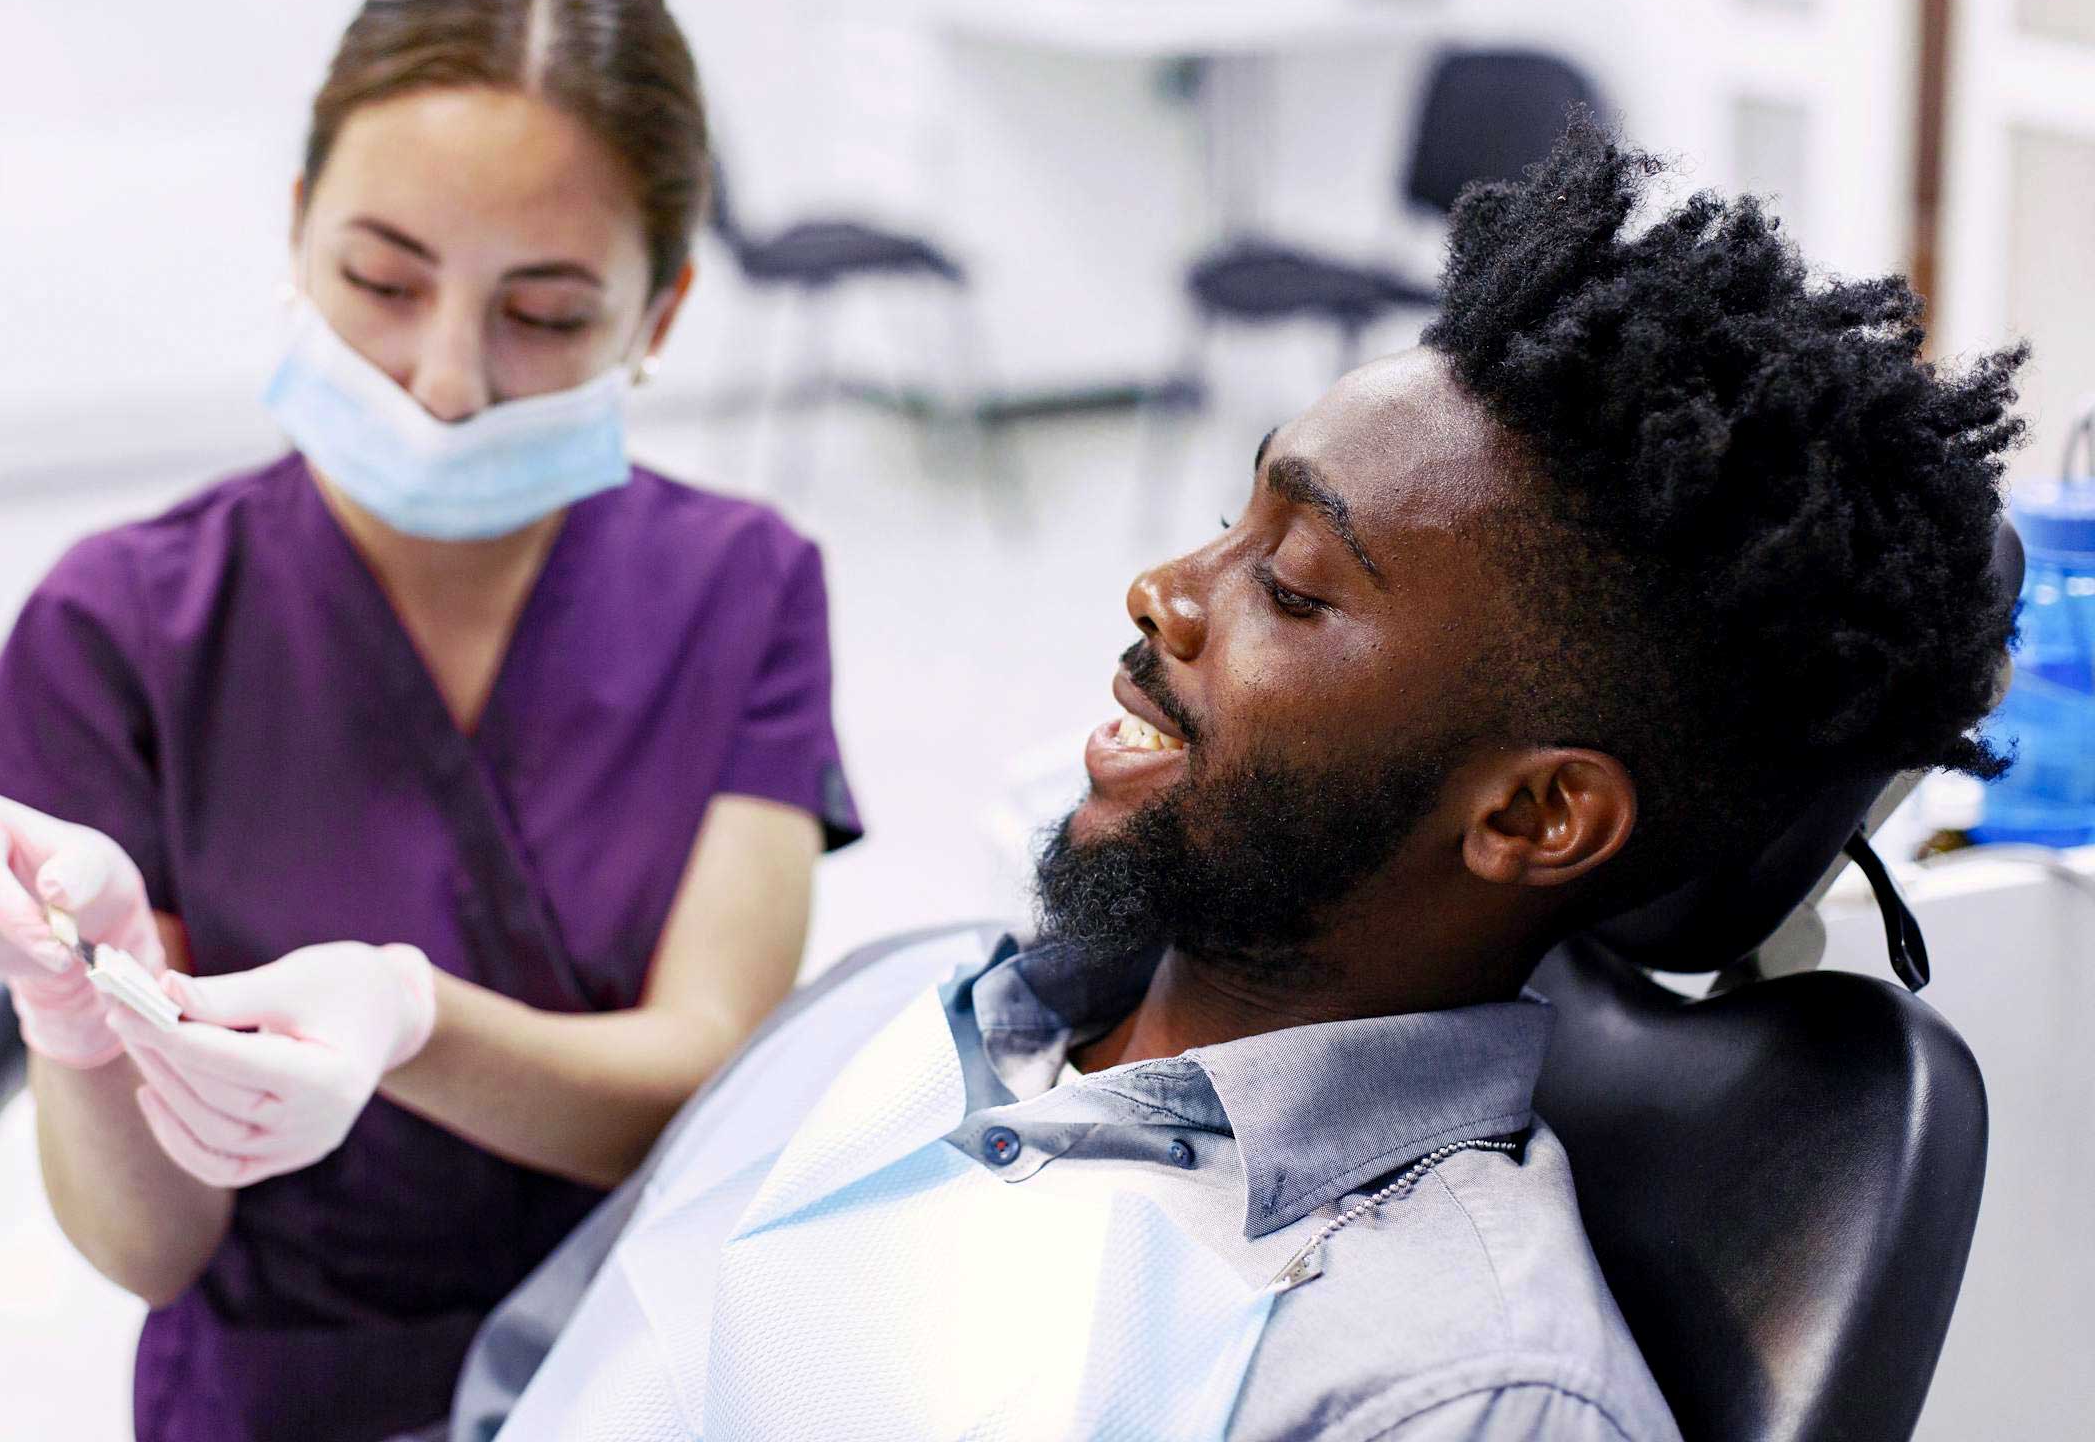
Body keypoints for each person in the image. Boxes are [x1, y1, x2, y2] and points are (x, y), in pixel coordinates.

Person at [447, 120, 2023, 1440]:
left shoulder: (1447, 1390)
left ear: (1534, 815)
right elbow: (522, 1386)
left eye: (1296, 584)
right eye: (1230, 517)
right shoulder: (903, 1008)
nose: (1163, 589)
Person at [0, 0, 861, 1442]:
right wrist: (79, 1015)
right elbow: (150, 1246)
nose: (445, 376)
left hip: (637, 1375)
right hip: (281, 1399)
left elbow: (692, 1084)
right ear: (299, 234)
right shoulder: (128, 624)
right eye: (381, 278)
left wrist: (410, 1017)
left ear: (663, 315)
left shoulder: (745, 584)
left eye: (546, 313)